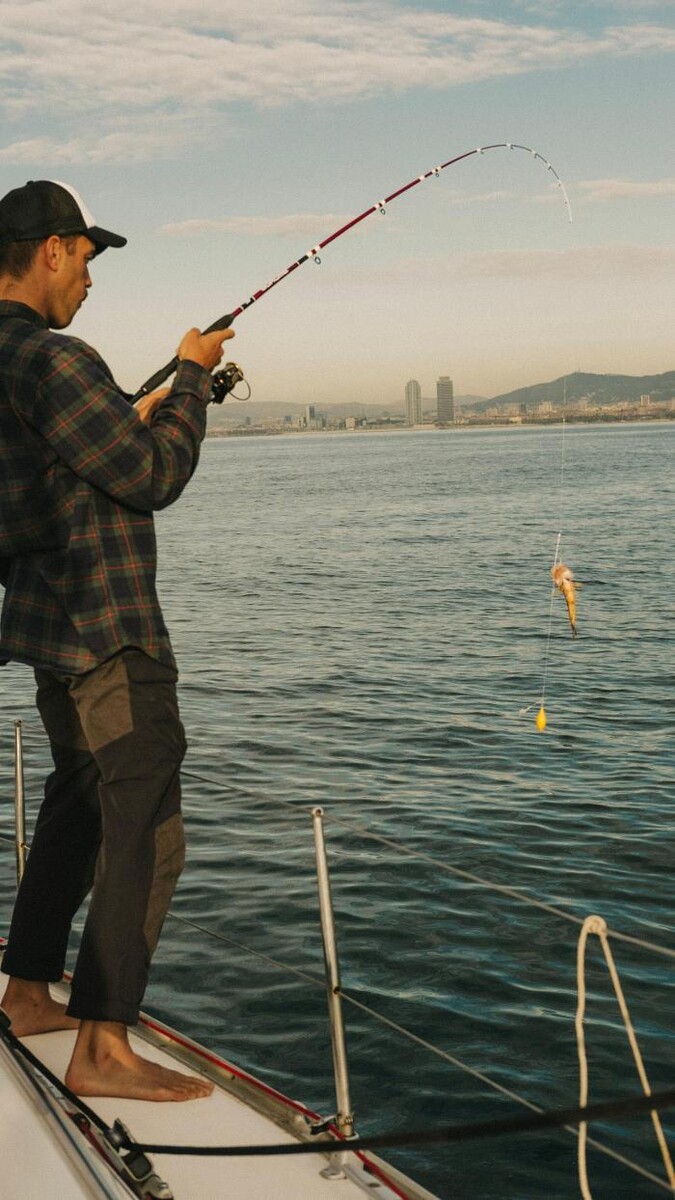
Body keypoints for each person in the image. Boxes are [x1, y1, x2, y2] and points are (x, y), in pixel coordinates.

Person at [0, 179, 234, 1101]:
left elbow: (52, 471)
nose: (90, 282)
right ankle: (103, 1044)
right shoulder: (57, 360)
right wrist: (187, 379)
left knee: (79, 803)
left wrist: (124, 416)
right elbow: (150, 475)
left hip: (48, 633)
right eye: (87, 260)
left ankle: (24, 992)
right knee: (148, 826)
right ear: (53, 249)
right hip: (109, 631)